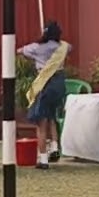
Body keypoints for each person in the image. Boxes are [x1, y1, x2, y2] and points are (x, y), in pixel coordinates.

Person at [20, 21, 70, 170]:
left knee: (41, 122)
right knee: (52, 116)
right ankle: (54, 148)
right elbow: (69, 48)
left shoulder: (36, 48)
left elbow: (20, 50)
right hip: (59, 83)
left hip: (45, 83)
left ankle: (43, 159)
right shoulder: (63, 47)